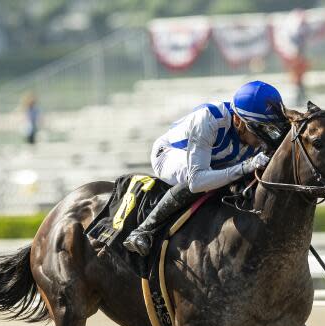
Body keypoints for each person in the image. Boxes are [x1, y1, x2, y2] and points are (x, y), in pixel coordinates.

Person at [123, 80, 289, 256]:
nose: (264, 138)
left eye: (271, 129)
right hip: (171, 154)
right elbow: (197, 181)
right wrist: (246, 166)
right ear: (238, 120)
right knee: (200, 177)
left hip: (213, 161)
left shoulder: (253, 125)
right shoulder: (209, 119)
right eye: (259, 130)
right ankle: (144, 230)